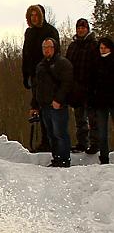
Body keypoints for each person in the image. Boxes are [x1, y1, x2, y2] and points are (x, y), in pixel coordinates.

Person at [22, 4, 60, 152]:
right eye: (32, 15)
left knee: (50, 108)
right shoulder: (29, 32)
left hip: (48, 75)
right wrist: (25, 75)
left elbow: (56, 54)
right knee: (38, 107)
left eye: (36, 15)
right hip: (34, 75)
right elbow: (26, 54)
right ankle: (45, 141)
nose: (34, 18)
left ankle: (52, 141)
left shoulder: (50, 31)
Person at [30, 38, 73, 167]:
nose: (46, 50)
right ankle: (56, 158)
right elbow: (36, 87)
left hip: (58, 105)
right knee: (51, 134)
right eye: (44, 47)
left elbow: (67, 84)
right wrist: (34, 105)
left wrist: (58, 100)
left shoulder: (63, 64)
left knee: (60, 133)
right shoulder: (40, 66)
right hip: (44, 105)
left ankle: (64, 159)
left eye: (49, 47)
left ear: (54, 48)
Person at [65, 18, 99, 153]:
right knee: (80, 119)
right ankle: (82, 143)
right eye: (79, 27)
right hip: (76, 87)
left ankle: (95, 143)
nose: (80, 30)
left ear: (87, 29)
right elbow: (67, 65)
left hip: (90, 87)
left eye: (83, 28)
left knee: (93, 118)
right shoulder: (72, 46)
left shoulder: (94, 45)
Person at [87, 37, 114, 164]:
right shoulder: (95, 62)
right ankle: (104, 158)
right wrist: (92, 100)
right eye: (101, 48)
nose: (103, 50)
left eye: (105, 48)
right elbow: (91, 84)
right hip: (100, 103)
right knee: (102, 134)